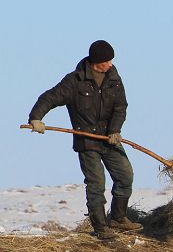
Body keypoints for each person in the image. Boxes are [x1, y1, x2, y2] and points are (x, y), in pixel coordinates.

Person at [28, 40, 142, 239]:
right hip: (87, 141)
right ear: (96, 62)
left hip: (109, 139)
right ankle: (100, 227)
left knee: (125, 176)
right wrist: (36, 118)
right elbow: (50, 97)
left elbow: (120, 107)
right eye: (107, 61)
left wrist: (115, 130)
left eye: (112, 60)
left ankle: (118, 217)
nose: (111, 64)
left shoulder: (114, 78)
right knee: (96, 183)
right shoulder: (75, 81)